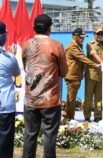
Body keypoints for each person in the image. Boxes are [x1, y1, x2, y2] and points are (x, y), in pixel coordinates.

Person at [22, 14, 68, 158]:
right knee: (49, 136)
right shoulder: (56, 45)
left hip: (30, 99)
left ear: (34, 28)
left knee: (29, 135)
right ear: (50, 29)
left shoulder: (26, 45)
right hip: (50, 100)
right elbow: (64, 71)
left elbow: (26, 68)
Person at [64, 28, 99, 121]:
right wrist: (95, 65)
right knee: (71, 98)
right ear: (74, 36)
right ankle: (69, 118)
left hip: (76, 76)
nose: (82, 39)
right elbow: (82, 58)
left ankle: (69, 116)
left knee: (71, 97)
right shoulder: (72, 47)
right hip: (72, 76)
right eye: (80, 37)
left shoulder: (78, 45)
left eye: (83, 37)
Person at [0, 21, 20, 158]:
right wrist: (12, 54)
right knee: (5, 145)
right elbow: (16, 73)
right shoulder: (9, 58)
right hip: (5, 107)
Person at [84, 26, 103, 122]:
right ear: (94, 35)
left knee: (99, 97)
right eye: (98, 34)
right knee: (88, 97)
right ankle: (87, 116)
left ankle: (97, 116)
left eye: (102, 34)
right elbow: (94, 55)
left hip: (101, 75)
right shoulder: (90, 44)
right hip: (91, 74)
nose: (100, 36)